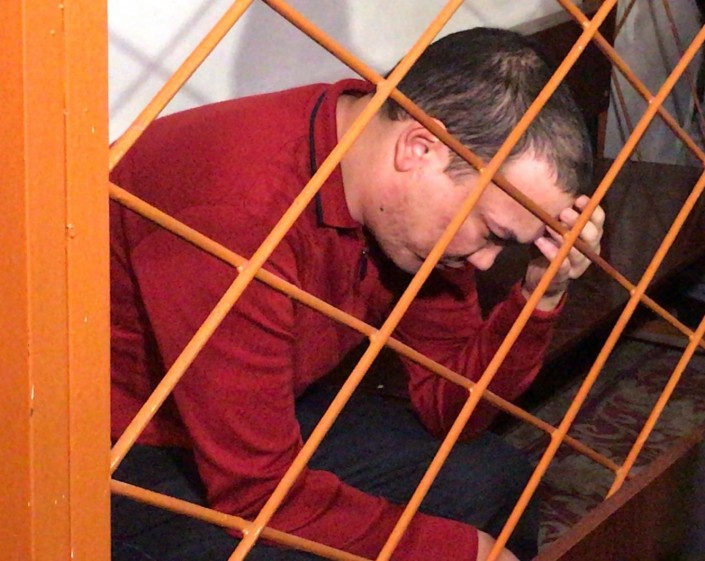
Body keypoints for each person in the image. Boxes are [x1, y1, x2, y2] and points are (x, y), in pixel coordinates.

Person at [110, 27, 604, 561]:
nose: (485, 262)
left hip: (256, 409)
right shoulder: (240, 211)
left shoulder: (401, 192)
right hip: (112, 447)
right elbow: (257, 495)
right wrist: (464, 552)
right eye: (492, 232)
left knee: (495, 479)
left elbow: (450, 408)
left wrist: (542, 291)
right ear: (420, 148)